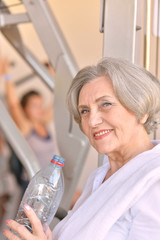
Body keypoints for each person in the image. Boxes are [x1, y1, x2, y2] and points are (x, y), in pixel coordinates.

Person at [3, 57, 160, 240]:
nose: (92, 121)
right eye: (84, 111)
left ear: (141, 112)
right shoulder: (100, 176)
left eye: (106, 104)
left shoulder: (154, 181)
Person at [2, 58, 60, 170]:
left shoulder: (43, 121)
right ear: (25, 109)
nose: (40, 109)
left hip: (52, 181)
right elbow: (13, 103)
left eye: (41, 105)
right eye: (35, 106)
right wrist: (6, 72)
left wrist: (52, 74)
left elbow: (57, 99)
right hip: (33, 184)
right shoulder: (26, 127)